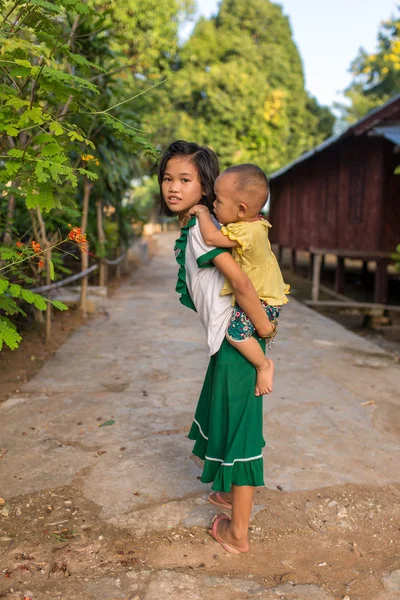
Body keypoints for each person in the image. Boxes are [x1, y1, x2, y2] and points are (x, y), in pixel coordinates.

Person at [159, 140, 276, 555]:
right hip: (228, 337)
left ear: (205, 187)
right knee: (224, 415)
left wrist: (263, 326)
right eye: (168, 179)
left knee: (242, 431)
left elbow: (242, 284)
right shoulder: (199, 227)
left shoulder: (204, 233)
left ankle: (238, 533)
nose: (173, 187)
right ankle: (228, 496)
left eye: (185, 179)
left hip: (238, 338)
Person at [190, 164, 289, 396]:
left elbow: (211, 237)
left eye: (219, 201)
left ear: (241, 209)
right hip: (268, 295)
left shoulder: (246, 231)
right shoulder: (252, 224)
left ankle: (264, 365)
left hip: (263, 299)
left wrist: (202, 213)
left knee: (236, 334)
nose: (213, 204)